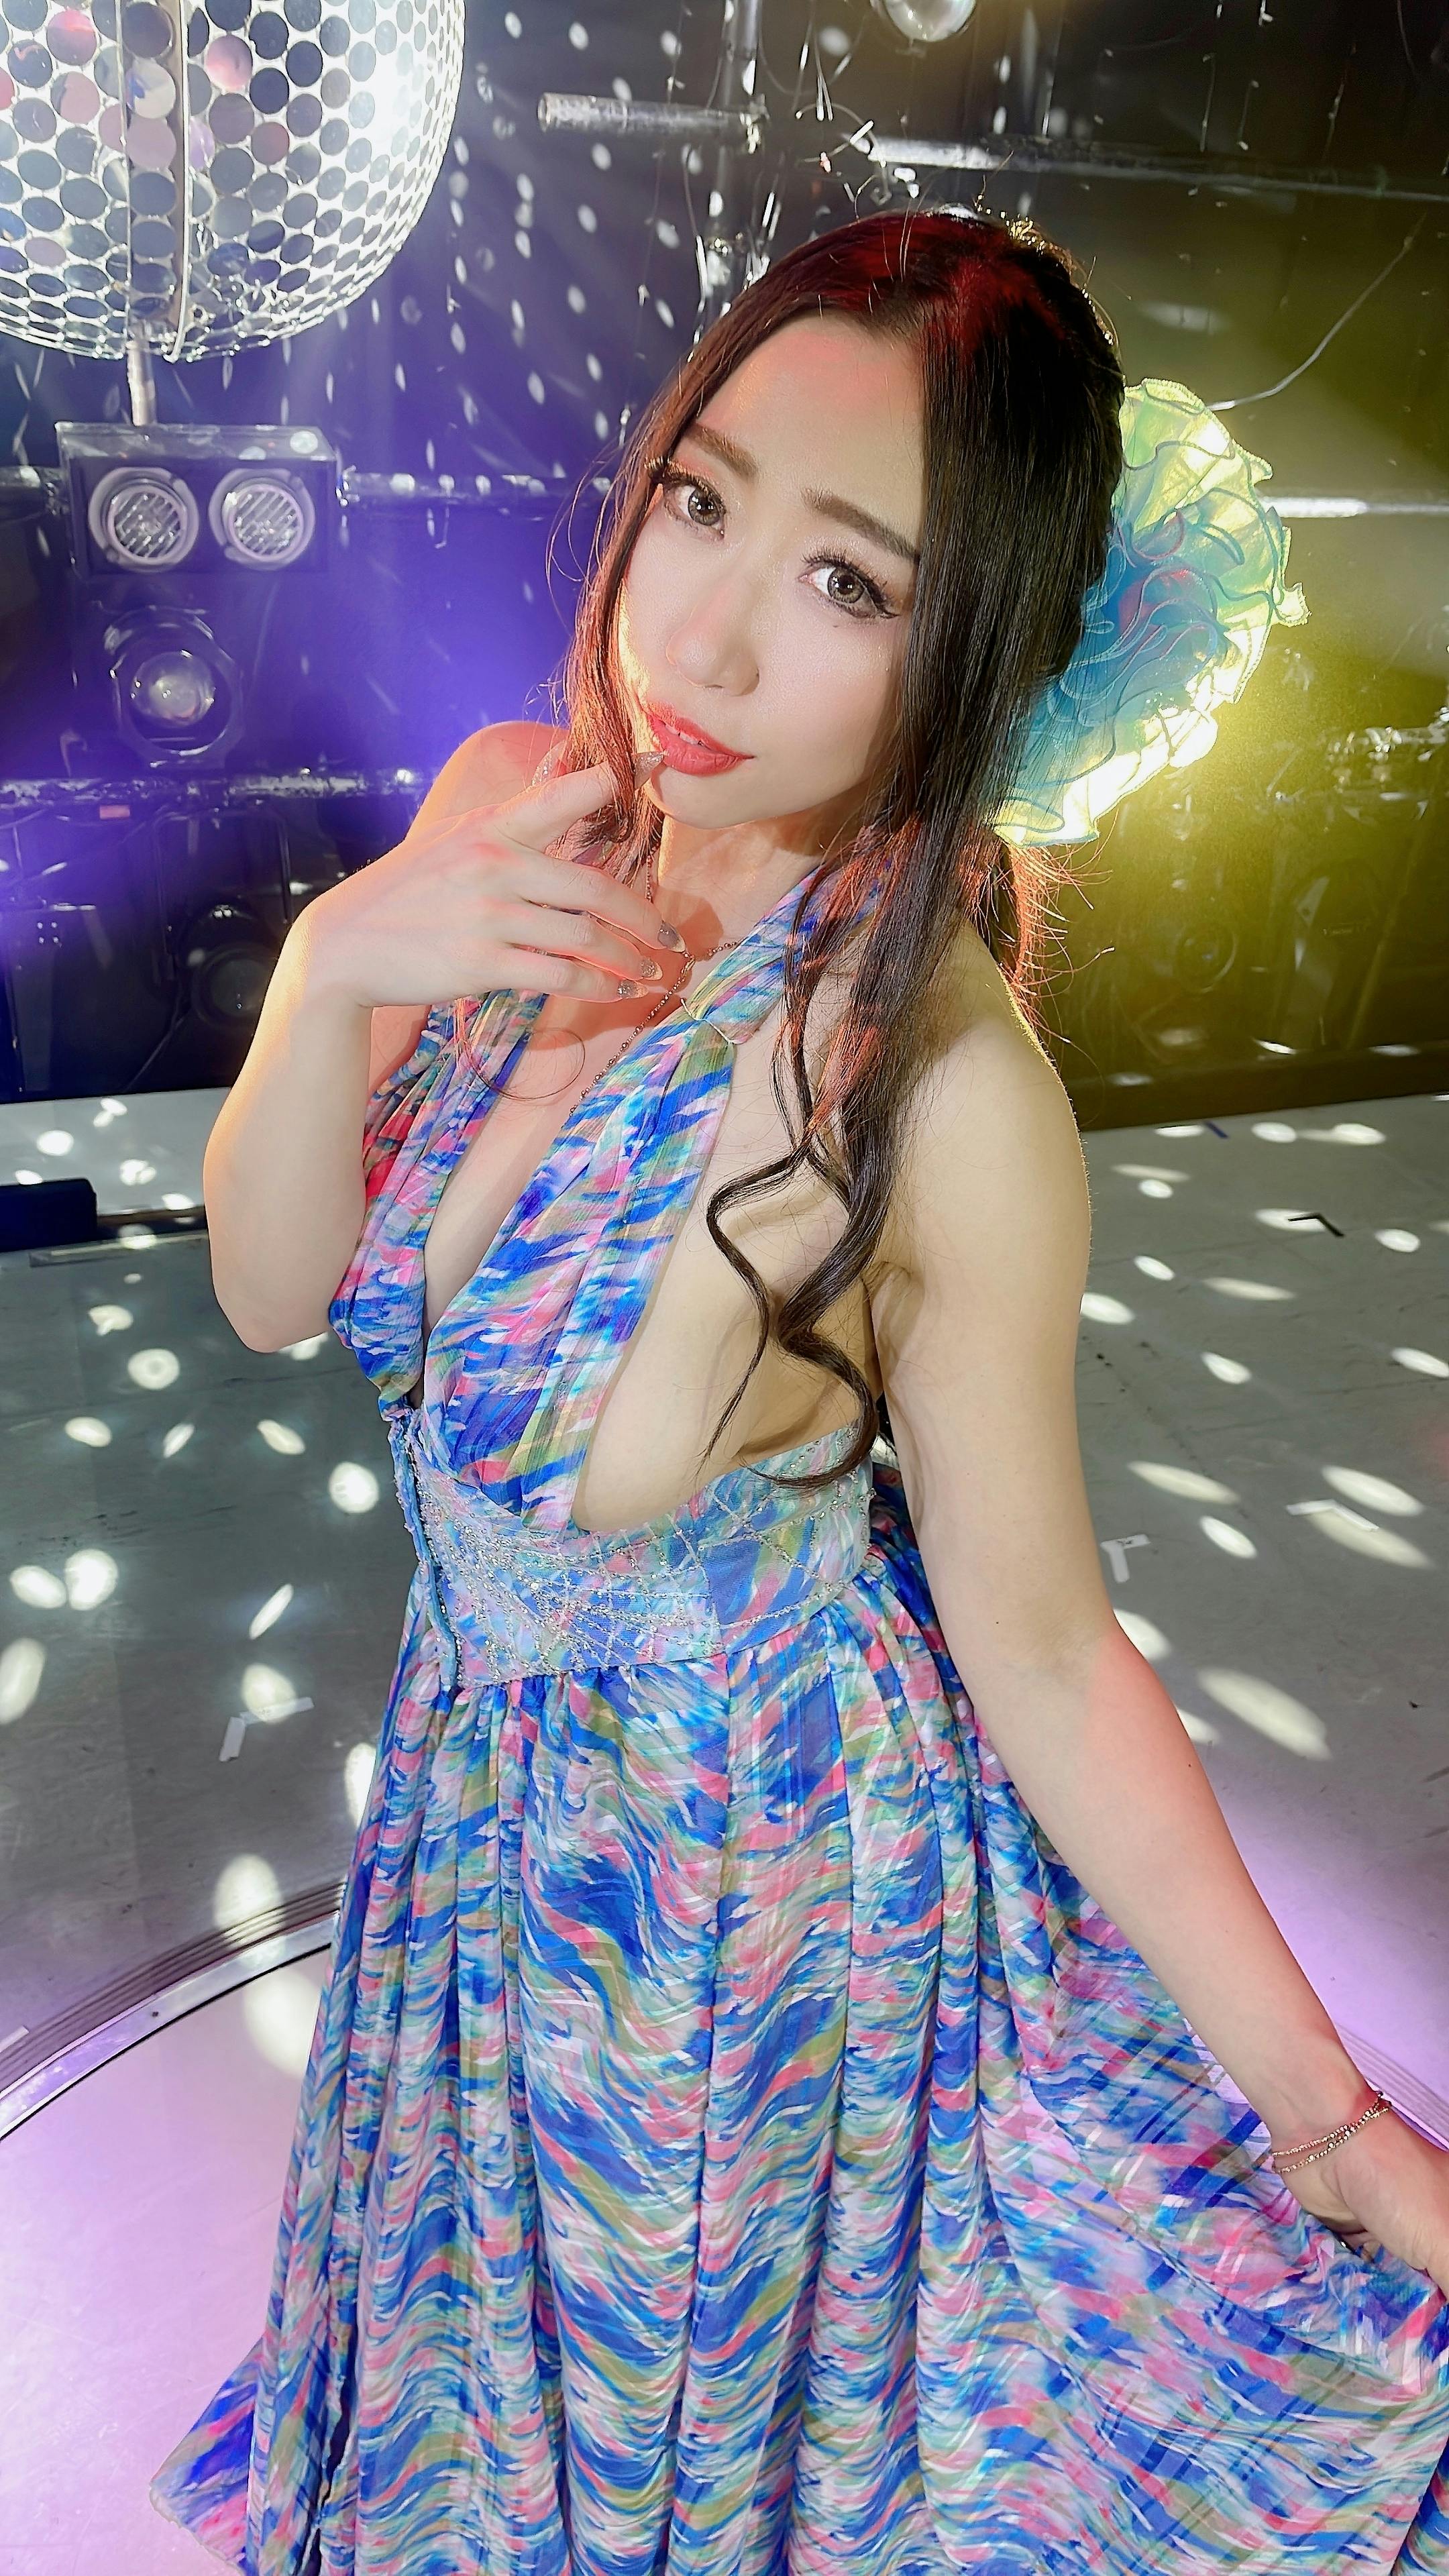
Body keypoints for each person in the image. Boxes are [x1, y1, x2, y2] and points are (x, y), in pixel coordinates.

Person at [152, 209, 1449, 2573]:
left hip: (747, 1904)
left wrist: (1334, 2122)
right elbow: (268, 1292)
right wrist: (332, 973)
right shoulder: (518, 803)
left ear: (971, 656)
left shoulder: (930, 1083)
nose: (709, 638)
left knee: (675, 2435)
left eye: (850, 582)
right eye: (703, 501)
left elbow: (1045, 1649)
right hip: (477, 1821)